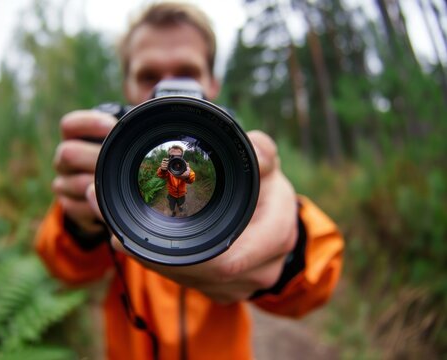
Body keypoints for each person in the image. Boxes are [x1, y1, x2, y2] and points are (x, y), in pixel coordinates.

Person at [36, 2, 344, 359]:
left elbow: (321, 283)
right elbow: (62, 268)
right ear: (127, 86)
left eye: (187, 72)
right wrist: (83, 220)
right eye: (149, 76)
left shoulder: (242, 160)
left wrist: (289, 244)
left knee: (182, 204)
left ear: (213, 83)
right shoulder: (108, 158)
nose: (168, 86)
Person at [157, 145, 195, 217]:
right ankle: (173, 212)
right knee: (171, 206)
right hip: (171, 194)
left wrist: (187, 175)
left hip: (181, 194)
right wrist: (162, 169)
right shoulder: (168, 167)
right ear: (169, 157)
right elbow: (161, 176)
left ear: (182, 157)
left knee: (181, 206)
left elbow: (192, 180)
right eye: (172, 156)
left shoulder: (185, 167)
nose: (176, 158)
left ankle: (181, 211)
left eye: (179, 156)